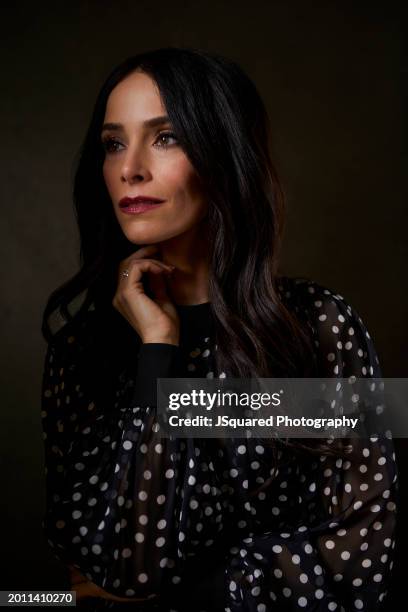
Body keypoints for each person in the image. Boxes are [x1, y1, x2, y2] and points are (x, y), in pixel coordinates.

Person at [40, 47, 397, 611]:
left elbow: (367, 549)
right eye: (114, 143)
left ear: (223, 155)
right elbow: (115, 568)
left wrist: (204, 592)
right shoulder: (79, 351)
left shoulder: (322, 324)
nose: (131, 167)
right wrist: (158, 351)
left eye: (165, 137)